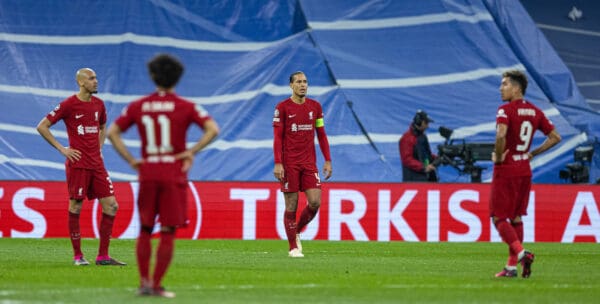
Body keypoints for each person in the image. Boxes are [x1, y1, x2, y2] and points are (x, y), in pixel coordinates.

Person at [107, 54, 219, 298]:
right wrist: (191, 151)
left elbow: (113, 132)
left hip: (148, 170)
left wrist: (131, 160)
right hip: (172, 170)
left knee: (145, 228)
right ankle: (156, 285)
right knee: (167, 230)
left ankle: (144, 283)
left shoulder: (138, 105)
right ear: (177, 77)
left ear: (153, 76)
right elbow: (213, 129)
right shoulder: (186, 106)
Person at [36, 68, 126, 267]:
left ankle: (103, 256)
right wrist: (62, 149)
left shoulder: (99, 105)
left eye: (96, 77)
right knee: (76, 205)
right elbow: (42, 126)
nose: (96, 81)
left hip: (97, 164)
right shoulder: (69, 104)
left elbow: (103, 127)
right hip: (78, 164)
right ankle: (78, 256)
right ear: (81, 82)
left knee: (112, 205)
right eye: (92, 78)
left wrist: (100, 147)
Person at [490, 70, 561, 278]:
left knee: (498, 217)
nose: (501, 88)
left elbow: (501, 134)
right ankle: (511, 267)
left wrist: (500, 156)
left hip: (507, 168)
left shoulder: (505, 110)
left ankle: (522, 254)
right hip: (524, 169)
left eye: (505, 84)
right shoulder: (535, 111)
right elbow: (555, 137)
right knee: (516, 217)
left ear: (516, 88)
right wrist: (533, 153)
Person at [273, 71, 332, 258]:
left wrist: (328, 159)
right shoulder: (282, 108)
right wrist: (278, 163)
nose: (303, 85)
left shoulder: (315, 107)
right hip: (289, 163)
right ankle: (293, 248)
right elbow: (277, 138)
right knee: (291, 205)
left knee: (315, 202)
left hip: (309, 163)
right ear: (291, 85)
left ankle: (297, 230)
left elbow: (321, 134)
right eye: (298, 82)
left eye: (305, 81)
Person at [399, 110, 438, 182]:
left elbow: (426, 155)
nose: (427, 126)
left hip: (426, 178)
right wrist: (424, 167)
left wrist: (437, 158)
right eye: (426, 123)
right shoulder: (407, 138)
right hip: (413, 181)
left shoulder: (422, 137)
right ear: (419, 122)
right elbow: (407, 160)